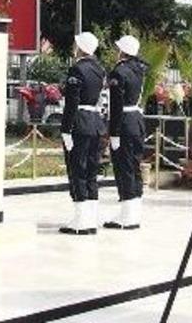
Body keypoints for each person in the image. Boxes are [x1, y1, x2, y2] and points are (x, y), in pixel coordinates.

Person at [59, 32, 108, 235]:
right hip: (95, 123)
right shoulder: (100, 69)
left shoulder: (77, 69)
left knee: (77, 169)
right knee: (91, 171)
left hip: (79, 123)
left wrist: (65, 129)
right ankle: (91, 218)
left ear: (80, 47)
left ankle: (81, 220)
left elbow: (72, 102)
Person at [104, 35, 148, 230]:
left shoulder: (119, 72)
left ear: (123, 51)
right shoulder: (139, 69)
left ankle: (128, 215)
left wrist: (113, 132)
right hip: (136, 121)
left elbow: (116, 105)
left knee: (124, 168)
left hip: (123, 123)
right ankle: (132, 211)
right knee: (134, 166)